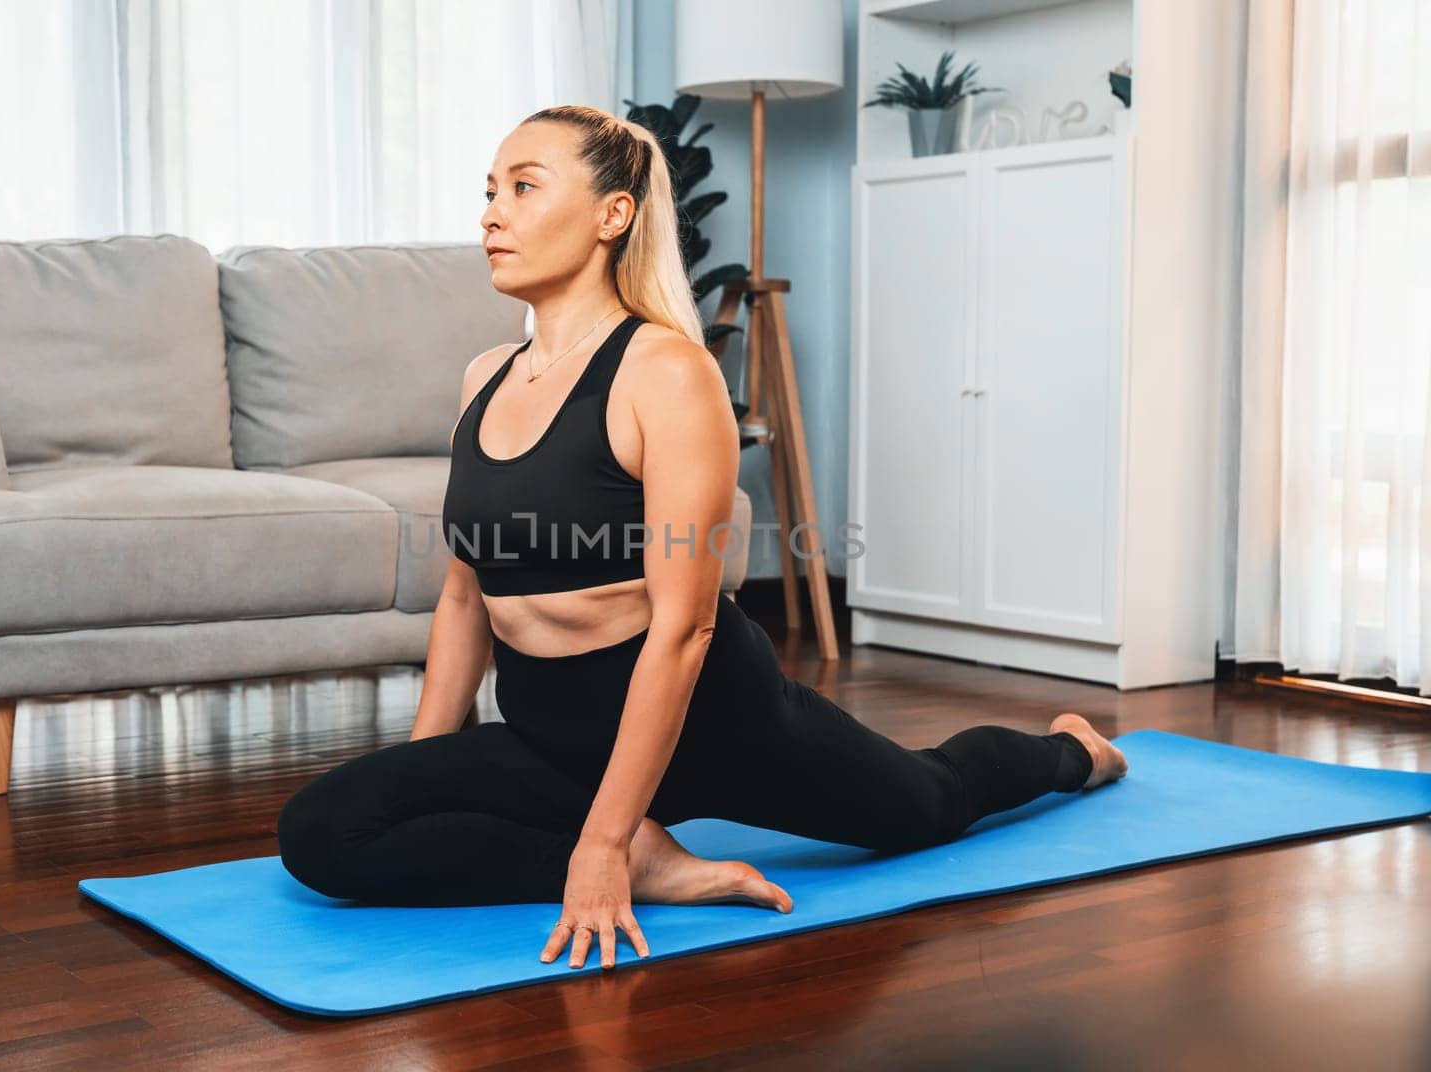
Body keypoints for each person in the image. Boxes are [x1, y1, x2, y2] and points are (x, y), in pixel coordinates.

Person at [276, 104, 1129, 973]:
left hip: (712, 726)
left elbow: (684, 629)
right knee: (318, 835)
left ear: (613, 215)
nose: (492, 212)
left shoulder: (668, 375)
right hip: (550, 738)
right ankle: (653, 863)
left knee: (928, 805)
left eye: (524, 188)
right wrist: (431, 772)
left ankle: (1073, 754)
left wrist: (599, 843)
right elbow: (466, 594)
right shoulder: (483, 378)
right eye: (489, 191)